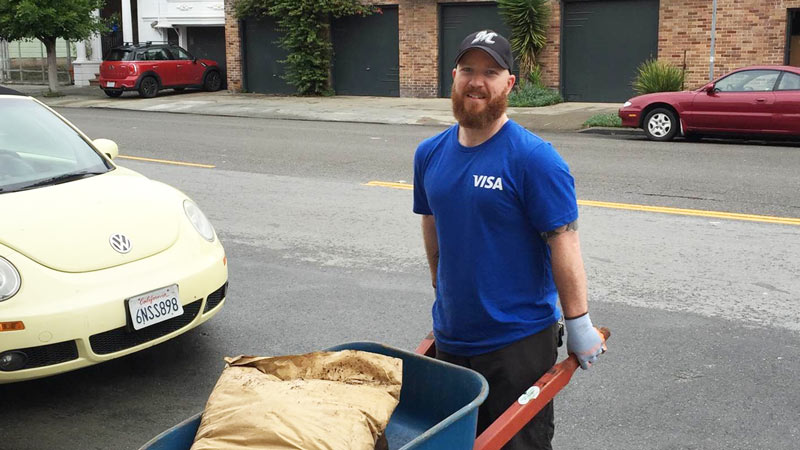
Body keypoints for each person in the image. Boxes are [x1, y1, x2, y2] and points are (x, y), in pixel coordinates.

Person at [412, 30, 605, 450]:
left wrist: (578, 323)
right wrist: (440, 283)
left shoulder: (534, 158)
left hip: (515, 344)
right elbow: (431, 219)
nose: (476, 81)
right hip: (451, 336)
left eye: (490, 72)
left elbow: (564, 241)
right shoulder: (429, 153)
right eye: (468, 70)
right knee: (460, 443)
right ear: (454, 76)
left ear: (509, 84)